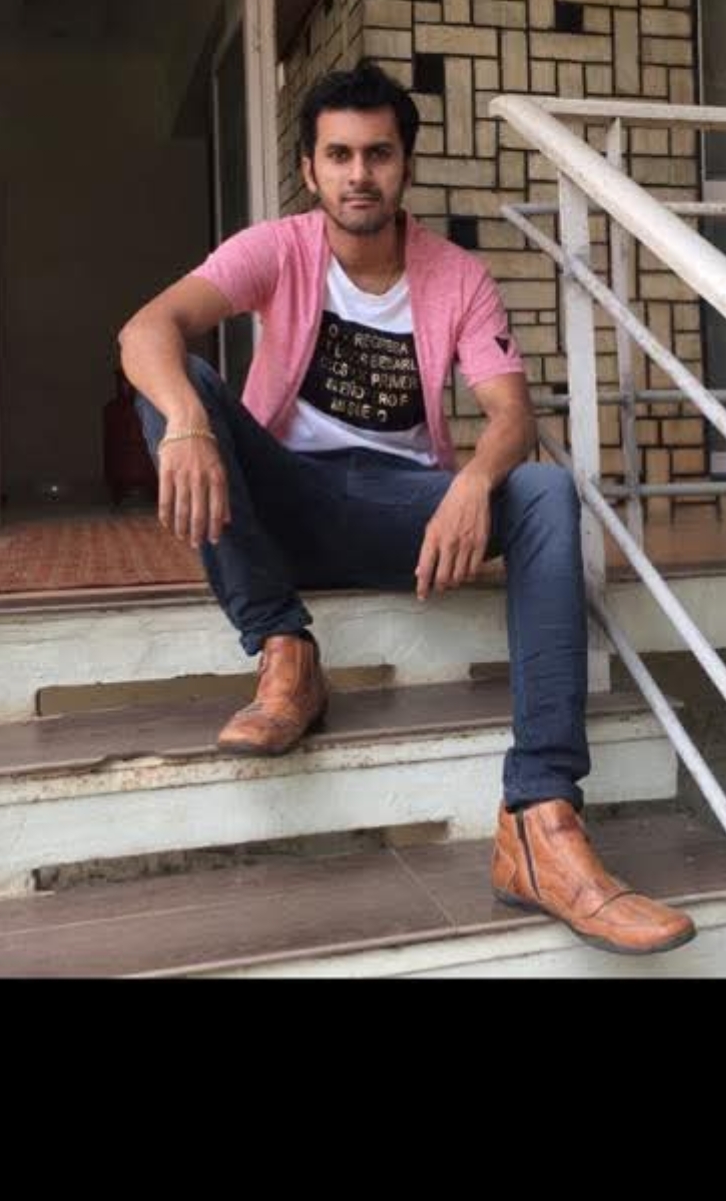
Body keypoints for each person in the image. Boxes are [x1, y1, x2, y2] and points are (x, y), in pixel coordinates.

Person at [118, 59, 694, 958]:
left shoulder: (456, 276)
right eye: (339, 155)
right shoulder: (277, 249)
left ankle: (539, 822)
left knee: (543, 487)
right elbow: (144, 328)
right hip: (289, 499)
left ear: (405, 167)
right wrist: (188, 423)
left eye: (378, 155)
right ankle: (284, 648)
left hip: (405, 516)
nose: (359, 175)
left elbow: (511, 415)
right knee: (175, 378)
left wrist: (471, 483)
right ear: (310, 170)